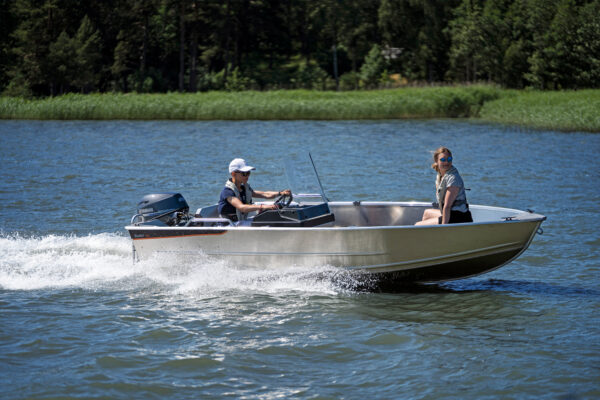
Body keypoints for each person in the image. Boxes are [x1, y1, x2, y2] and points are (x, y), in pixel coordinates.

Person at [218, 158, 291, 222]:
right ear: (233, 174)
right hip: (230, 225)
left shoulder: (244, 189)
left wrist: (281, 193)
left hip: (241, 220)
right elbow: (241, 207)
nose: (247, 176)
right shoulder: (227, 192)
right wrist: (263, 206)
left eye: (248, 173)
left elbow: (265, 194)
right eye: (244, 174)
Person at [416, 146, 473, 225]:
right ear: (436, 161)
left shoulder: (453, 178)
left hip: (459, 218)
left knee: (418, 225)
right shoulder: (440, 176)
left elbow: (447, 206)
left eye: (449, 159)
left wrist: (443, 228)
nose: (446, 162)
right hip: (451, 214)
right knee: (427, 213)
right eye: (443, 160)